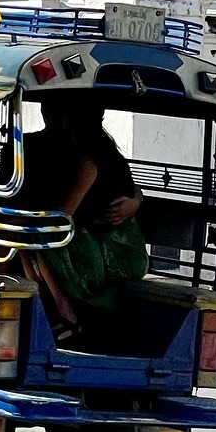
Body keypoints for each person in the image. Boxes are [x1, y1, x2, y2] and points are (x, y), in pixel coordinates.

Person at [18, 99, 146, 338]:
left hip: (116, 251)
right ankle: (45, 306)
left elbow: (63, 216)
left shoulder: (89, 160)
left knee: (37, 234)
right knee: (31, 233)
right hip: (99, 243)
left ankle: (64, 312)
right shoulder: (99, 151)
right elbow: (135, 190)